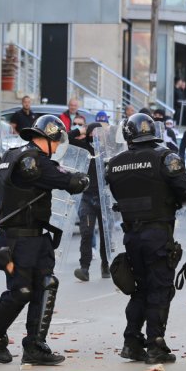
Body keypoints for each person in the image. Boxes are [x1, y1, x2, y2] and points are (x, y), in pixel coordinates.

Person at [0, 115, 89, 366]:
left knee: (46, 285)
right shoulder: (32, 161)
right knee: (22, 291)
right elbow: (70, 181)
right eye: (58, 141)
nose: (59, 147)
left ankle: (35, 346)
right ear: (50, 138)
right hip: (20, 240)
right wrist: (81, 178)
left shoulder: (13, 154)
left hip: (35, 237)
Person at [107, 113, 186, 364]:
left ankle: (131, 342)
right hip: (157, 233)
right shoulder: (164, 157)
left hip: (131, 235)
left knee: (140, 289)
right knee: (160, 289)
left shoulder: (115, 163)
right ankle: (155, 345)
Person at [73, 120, 109, 282]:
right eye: (93, 132)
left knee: (105, 235)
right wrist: (78, 129)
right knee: (86, 233)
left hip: (103, 197)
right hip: (87, 197)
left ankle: (106, 265)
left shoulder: (107, 150)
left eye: (99, 133)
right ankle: (84, 268)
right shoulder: (83, 148)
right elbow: (64, 139)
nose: (96, 135)